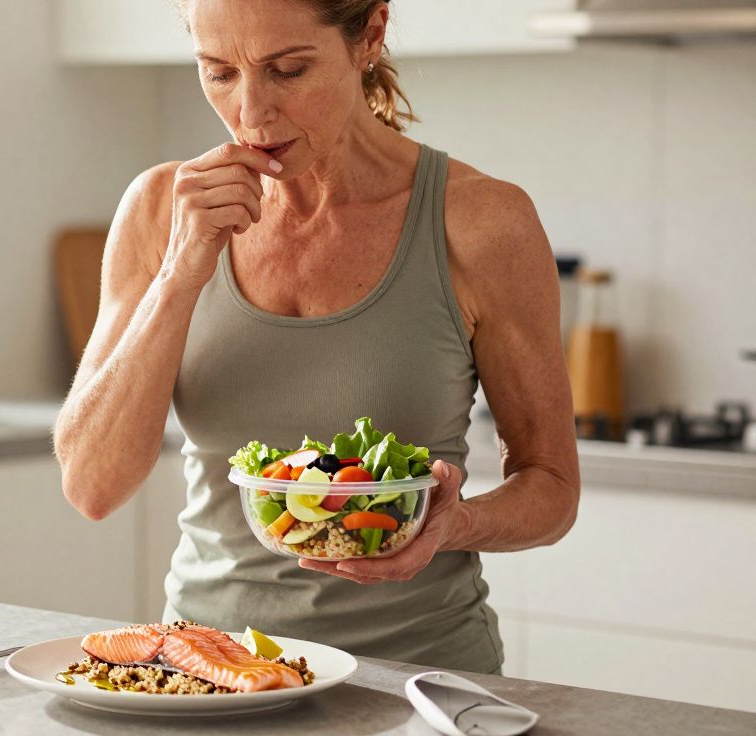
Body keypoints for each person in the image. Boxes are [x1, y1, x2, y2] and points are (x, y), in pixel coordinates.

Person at [52, 0, 579, 674]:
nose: (251, 112)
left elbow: (551, 485)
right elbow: (91, 487)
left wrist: (456, 525)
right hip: (213, 673)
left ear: (370, 36)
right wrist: (181, 272)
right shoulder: (163, 209)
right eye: (219, 73)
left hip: (420, 682)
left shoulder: (483, 222)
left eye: (289, 70)